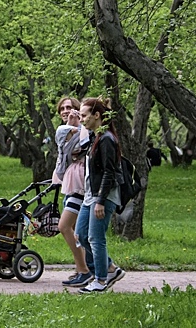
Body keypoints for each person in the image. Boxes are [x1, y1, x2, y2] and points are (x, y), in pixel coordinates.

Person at [75, 97, 126, 293]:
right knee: (81, 235)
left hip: (102, 197)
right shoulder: (96, 136)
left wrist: (100, 201)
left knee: (96, 238)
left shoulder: (106, 139)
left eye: (84, 115)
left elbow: (109, 172)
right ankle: (111, 268)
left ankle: (101, 280)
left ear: (96, 116)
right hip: (91, 195)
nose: (81, 119)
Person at [52, 97, 94, 288]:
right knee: (78, 231)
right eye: (63, 108)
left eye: (70, 107)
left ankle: (87, 269)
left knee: (64, 226)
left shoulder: (81, 131)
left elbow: (75, 149)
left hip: (79, 184)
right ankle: (82, 268)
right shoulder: (65, 130)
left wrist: (74, 128)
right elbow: (63, 159)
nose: (66, 111)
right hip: (70, 182)